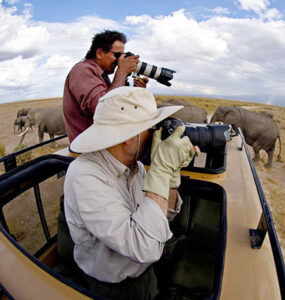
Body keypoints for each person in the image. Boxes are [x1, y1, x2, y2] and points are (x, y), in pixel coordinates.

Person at [63, 86, 197, 299]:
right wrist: (161, 170)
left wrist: (170, 174)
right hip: (111, 288)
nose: (156, 134)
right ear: (128, 135)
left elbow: (166, 214)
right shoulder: (85, 176)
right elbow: (144, 246)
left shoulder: (135, 166)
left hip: (144, 275)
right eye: (151, 128)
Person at [63, 30, 149, 143]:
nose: (119, 61)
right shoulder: (82, 70)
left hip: (103, 144)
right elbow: (104, 108)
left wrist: (136, 90)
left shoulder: (101, 75)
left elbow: (119, 107)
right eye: (117, 55)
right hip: (90, 149)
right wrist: (122, 72)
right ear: (99, 53)